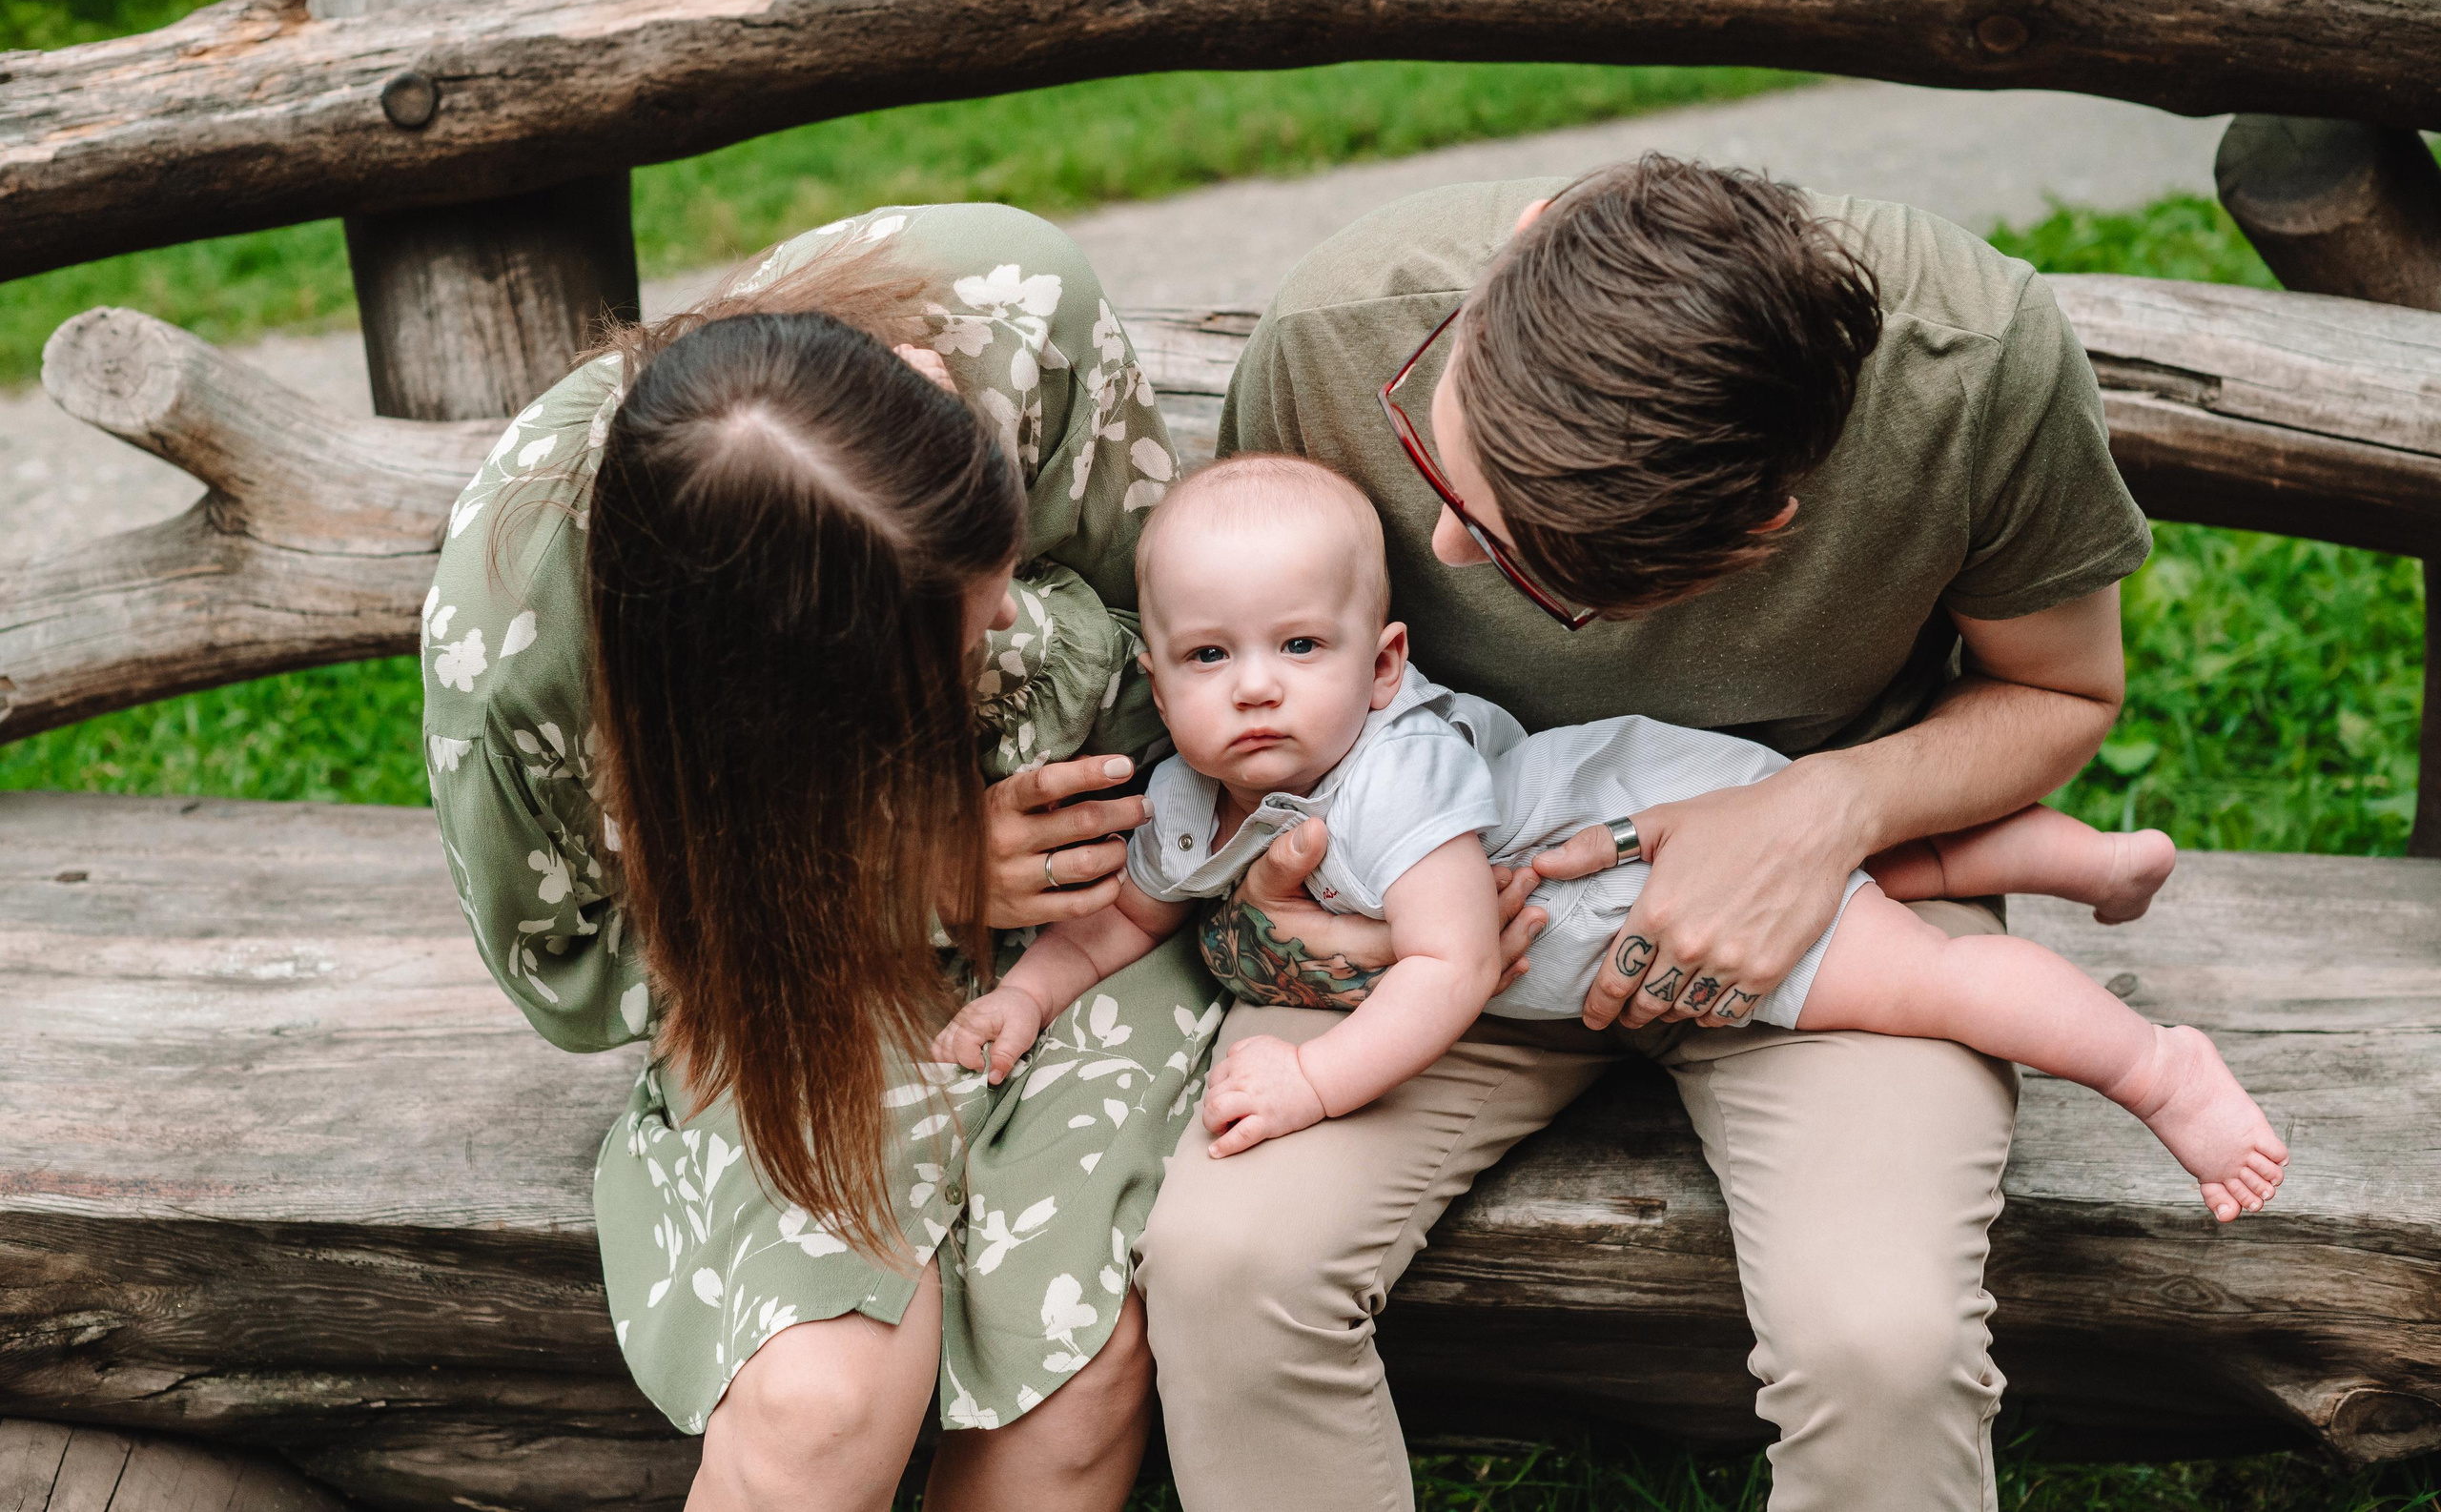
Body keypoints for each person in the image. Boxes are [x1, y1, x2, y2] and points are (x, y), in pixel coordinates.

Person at [1131, 154, 2178, 1512]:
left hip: (1837, 920)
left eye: (1515, 554)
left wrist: (1820, 813)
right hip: (1436, 928)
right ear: (1523, 245)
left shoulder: (1974, 365)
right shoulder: (1338, 337)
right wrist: (1313, 922)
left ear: (1759, 533)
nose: (1444, 551)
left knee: (1883, 1348)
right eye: (1450, 461)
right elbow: (1238, 699)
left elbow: (2063, 689)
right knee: (1226, 1271)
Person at [421, 204, 1222, 1512]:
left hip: (1092, 922)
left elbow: (1172, 658)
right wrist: (888, 873)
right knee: (818, 1405)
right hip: (775, 955)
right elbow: (568, 971)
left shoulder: (1011, 315)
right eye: (961, 649)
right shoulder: (516, 637)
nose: (1006, 629)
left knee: (1070, 1374)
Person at [935, 453, 2285, 1219]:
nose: (1257, 686)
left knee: (1930, 977)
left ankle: (2155, 1066)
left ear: (1387, 660)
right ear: (1159, 684)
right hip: (1649, 808)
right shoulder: (1183, 795)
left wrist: (1318, 1082)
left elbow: (1448, 968)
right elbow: (1132, 912)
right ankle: (2084, 858)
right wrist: (1031, 988)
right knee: (1895, 878)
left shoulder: (1393, 781)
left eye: (1301, 645)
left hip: (1657, 872)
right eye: (1210, 656)